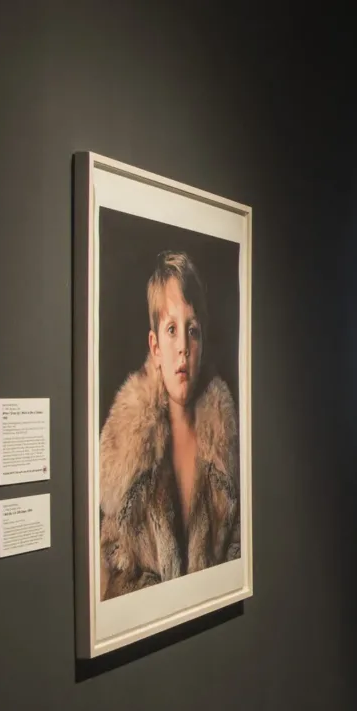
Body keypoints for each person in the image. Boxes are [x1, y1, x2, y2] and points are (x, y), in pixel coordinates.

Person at [98, 250, 240, 600]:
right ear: (155, 345)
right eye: (171, 329)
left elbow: (237, 548)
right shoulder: (126, 449)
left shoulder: (226, 438)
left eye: (192, 331)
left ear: (202, 343)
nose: (182, 348)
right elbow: (113, 571)